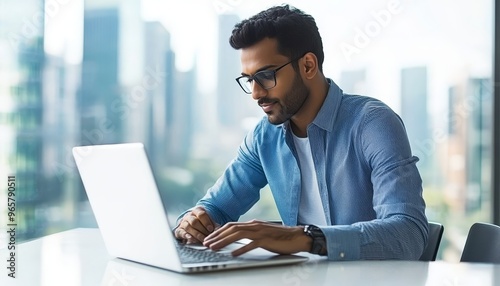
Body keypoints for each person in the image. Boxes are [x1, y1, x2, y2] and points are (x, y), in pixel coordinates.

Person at [174, 4, 428, 260]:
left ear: (308, 65)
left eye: (265, 75)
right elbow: (215, 207)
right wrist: (193, 221)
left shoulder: (372, 123)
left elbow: (409, 233)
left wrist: (305, 238)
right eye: (250, 79)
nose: (256, 93)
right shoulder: (264, 136)